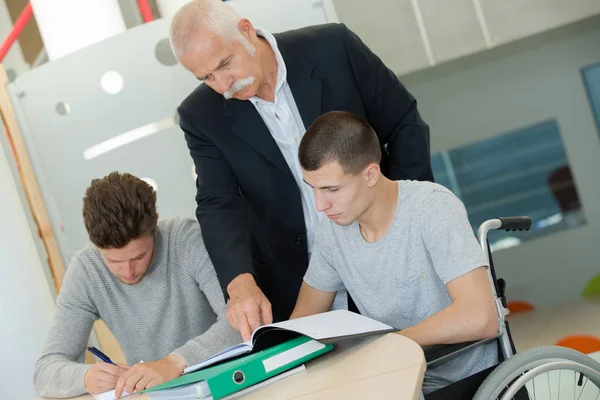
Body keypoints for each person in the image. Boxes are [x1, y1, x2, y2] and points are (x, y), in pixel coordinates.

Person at [169, 0, 434, 341]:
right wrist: (240, 283)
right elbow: (218, 202)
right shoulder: (200, 115)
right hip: (299, 282)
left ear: (247, 31)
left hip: (387, 251)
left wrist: (406, 219)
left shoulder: (333, 48)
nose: (223, 84)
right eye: (206, 77)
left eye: (225, 64)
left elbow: (403, 125)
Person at [290, 111, 499, 394]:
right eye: (313, 189)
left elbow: (480, 317)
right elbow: (303, 319)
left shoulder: (432, 209)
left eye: (331, 189)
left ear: (371, 174)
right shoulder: (334, 232)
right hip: (395, 376)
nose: (320, 205)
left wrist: (390, 346)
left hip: (461, 377)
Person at [33, 172, 242, 399]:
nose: (128, 271)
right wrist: (86, 377)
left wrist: (176, 362)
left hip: (227, 384)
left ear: (154, 228)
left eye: (139, 256)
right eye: (114, 261)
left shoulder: (185, 239)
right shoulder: (86, 271)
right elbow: (45, 372)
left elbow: (240, 321)